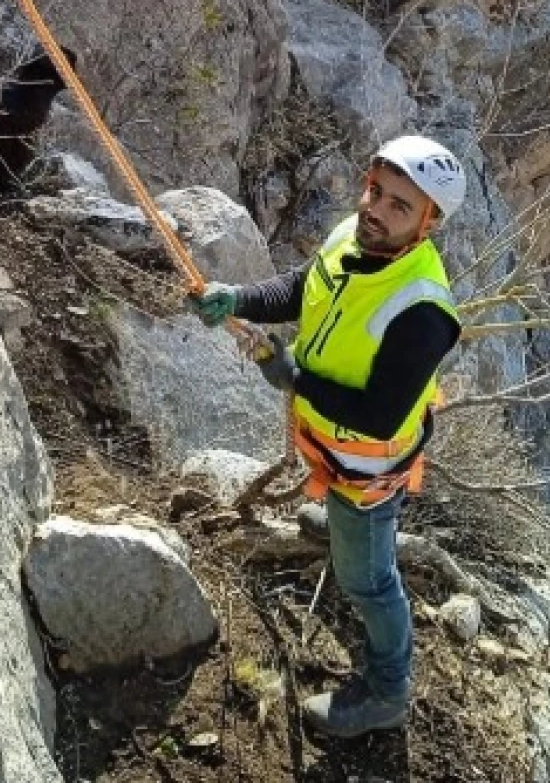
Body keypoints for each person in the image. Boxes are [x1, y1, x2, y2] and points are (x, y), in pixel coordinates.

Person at [190, 135, 466, 738]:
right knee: (351, 542)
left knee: (370, 583)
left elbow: (378, 418)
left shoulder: (423, 312)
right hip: (334, 450)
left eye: (399, 205)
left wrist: (293, 376)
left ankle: (388, 692)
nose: (376, 210)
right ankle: (340, 532)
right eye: (376, 191)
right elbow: (301, 287)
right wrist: (237, 298)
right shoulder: (353, 235)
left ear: (429, 222)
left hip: (365, 470)